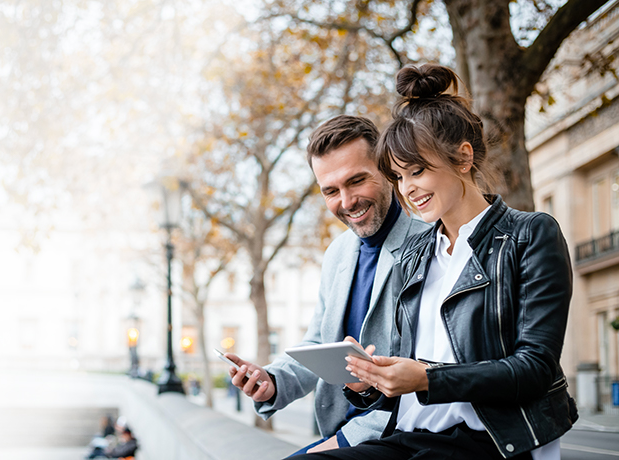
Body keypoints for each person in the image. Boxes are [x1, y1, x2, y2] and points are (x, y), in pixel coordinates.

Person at [294, 64, 577, 460]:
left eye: (418, 171)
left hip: (489, 442)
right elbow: (411, 370)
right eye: (398, 177)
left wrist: (427, 378)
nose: (408, 189)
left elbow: (534, 369)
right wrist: (371, 381)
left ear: (463, 158)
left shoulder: (530, 235)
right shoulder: (417, 253)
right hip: (409, 435)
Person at [224, 115, 430, 455]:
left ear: (388, 172)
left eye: (356, 181)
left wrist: (341, 441)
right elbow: (320, 343)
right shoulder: (338, 252)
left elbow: (428, 373)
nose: (347, 202)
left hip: (394, 434)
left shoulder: (429, 246)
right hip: (342, 429)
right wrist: (272, 382)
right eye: (331, 191)